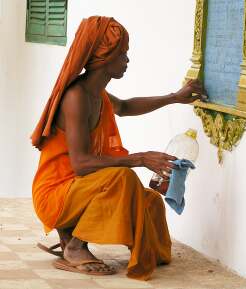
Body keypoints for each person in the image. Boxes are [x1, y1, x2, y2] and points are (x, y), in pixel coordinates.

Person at [31, 16, 206, 280]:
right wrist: (140, 159)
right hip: (56, 193)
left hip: (82, 185)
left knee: (150, 204)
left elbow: (124, 107)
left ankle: (71, 234)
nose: (126, 60)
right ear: (104, 57)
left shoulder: (96, 93)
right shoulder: (76, 97)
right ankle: (75, 245)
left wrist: (175, 98)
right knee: (122, 178)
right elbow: (80, 164)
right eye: (122, 54)